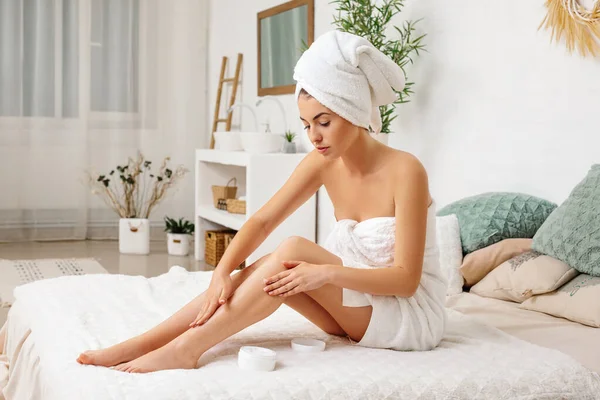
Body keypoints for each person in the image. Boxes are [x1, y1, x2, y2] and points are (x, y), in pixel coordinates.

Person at [76, 30, 447, 373]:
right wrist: (221, 273)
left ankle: (187, 349)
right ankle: (144, 343)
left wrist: (324, 273)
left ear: (353, 111)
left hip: (407, 318)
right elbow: (262, 221)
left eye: (323, 121)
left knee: (294, 250)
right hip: (355, 307)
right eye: (306, 124)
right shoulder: (322, 162)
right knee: (266, 265)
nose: (313, 136)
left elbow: (406, 281)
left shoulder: (406, 170)